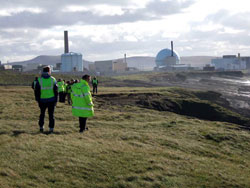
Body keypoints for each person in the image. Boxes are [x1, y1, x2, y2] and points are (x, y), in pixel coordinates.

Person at [35, 66, 58, 133]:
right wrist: (56, 100)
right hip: (51, 100)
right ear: (49, 71)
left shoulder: (39, 80)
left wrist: (38, 99)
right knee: (51, 115)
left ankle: (41, 127)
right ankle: (51, 128)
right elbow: (56, 91)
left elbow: (37, 91)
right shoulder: (53, 79)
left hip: (42, 100)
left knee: (42, 114)